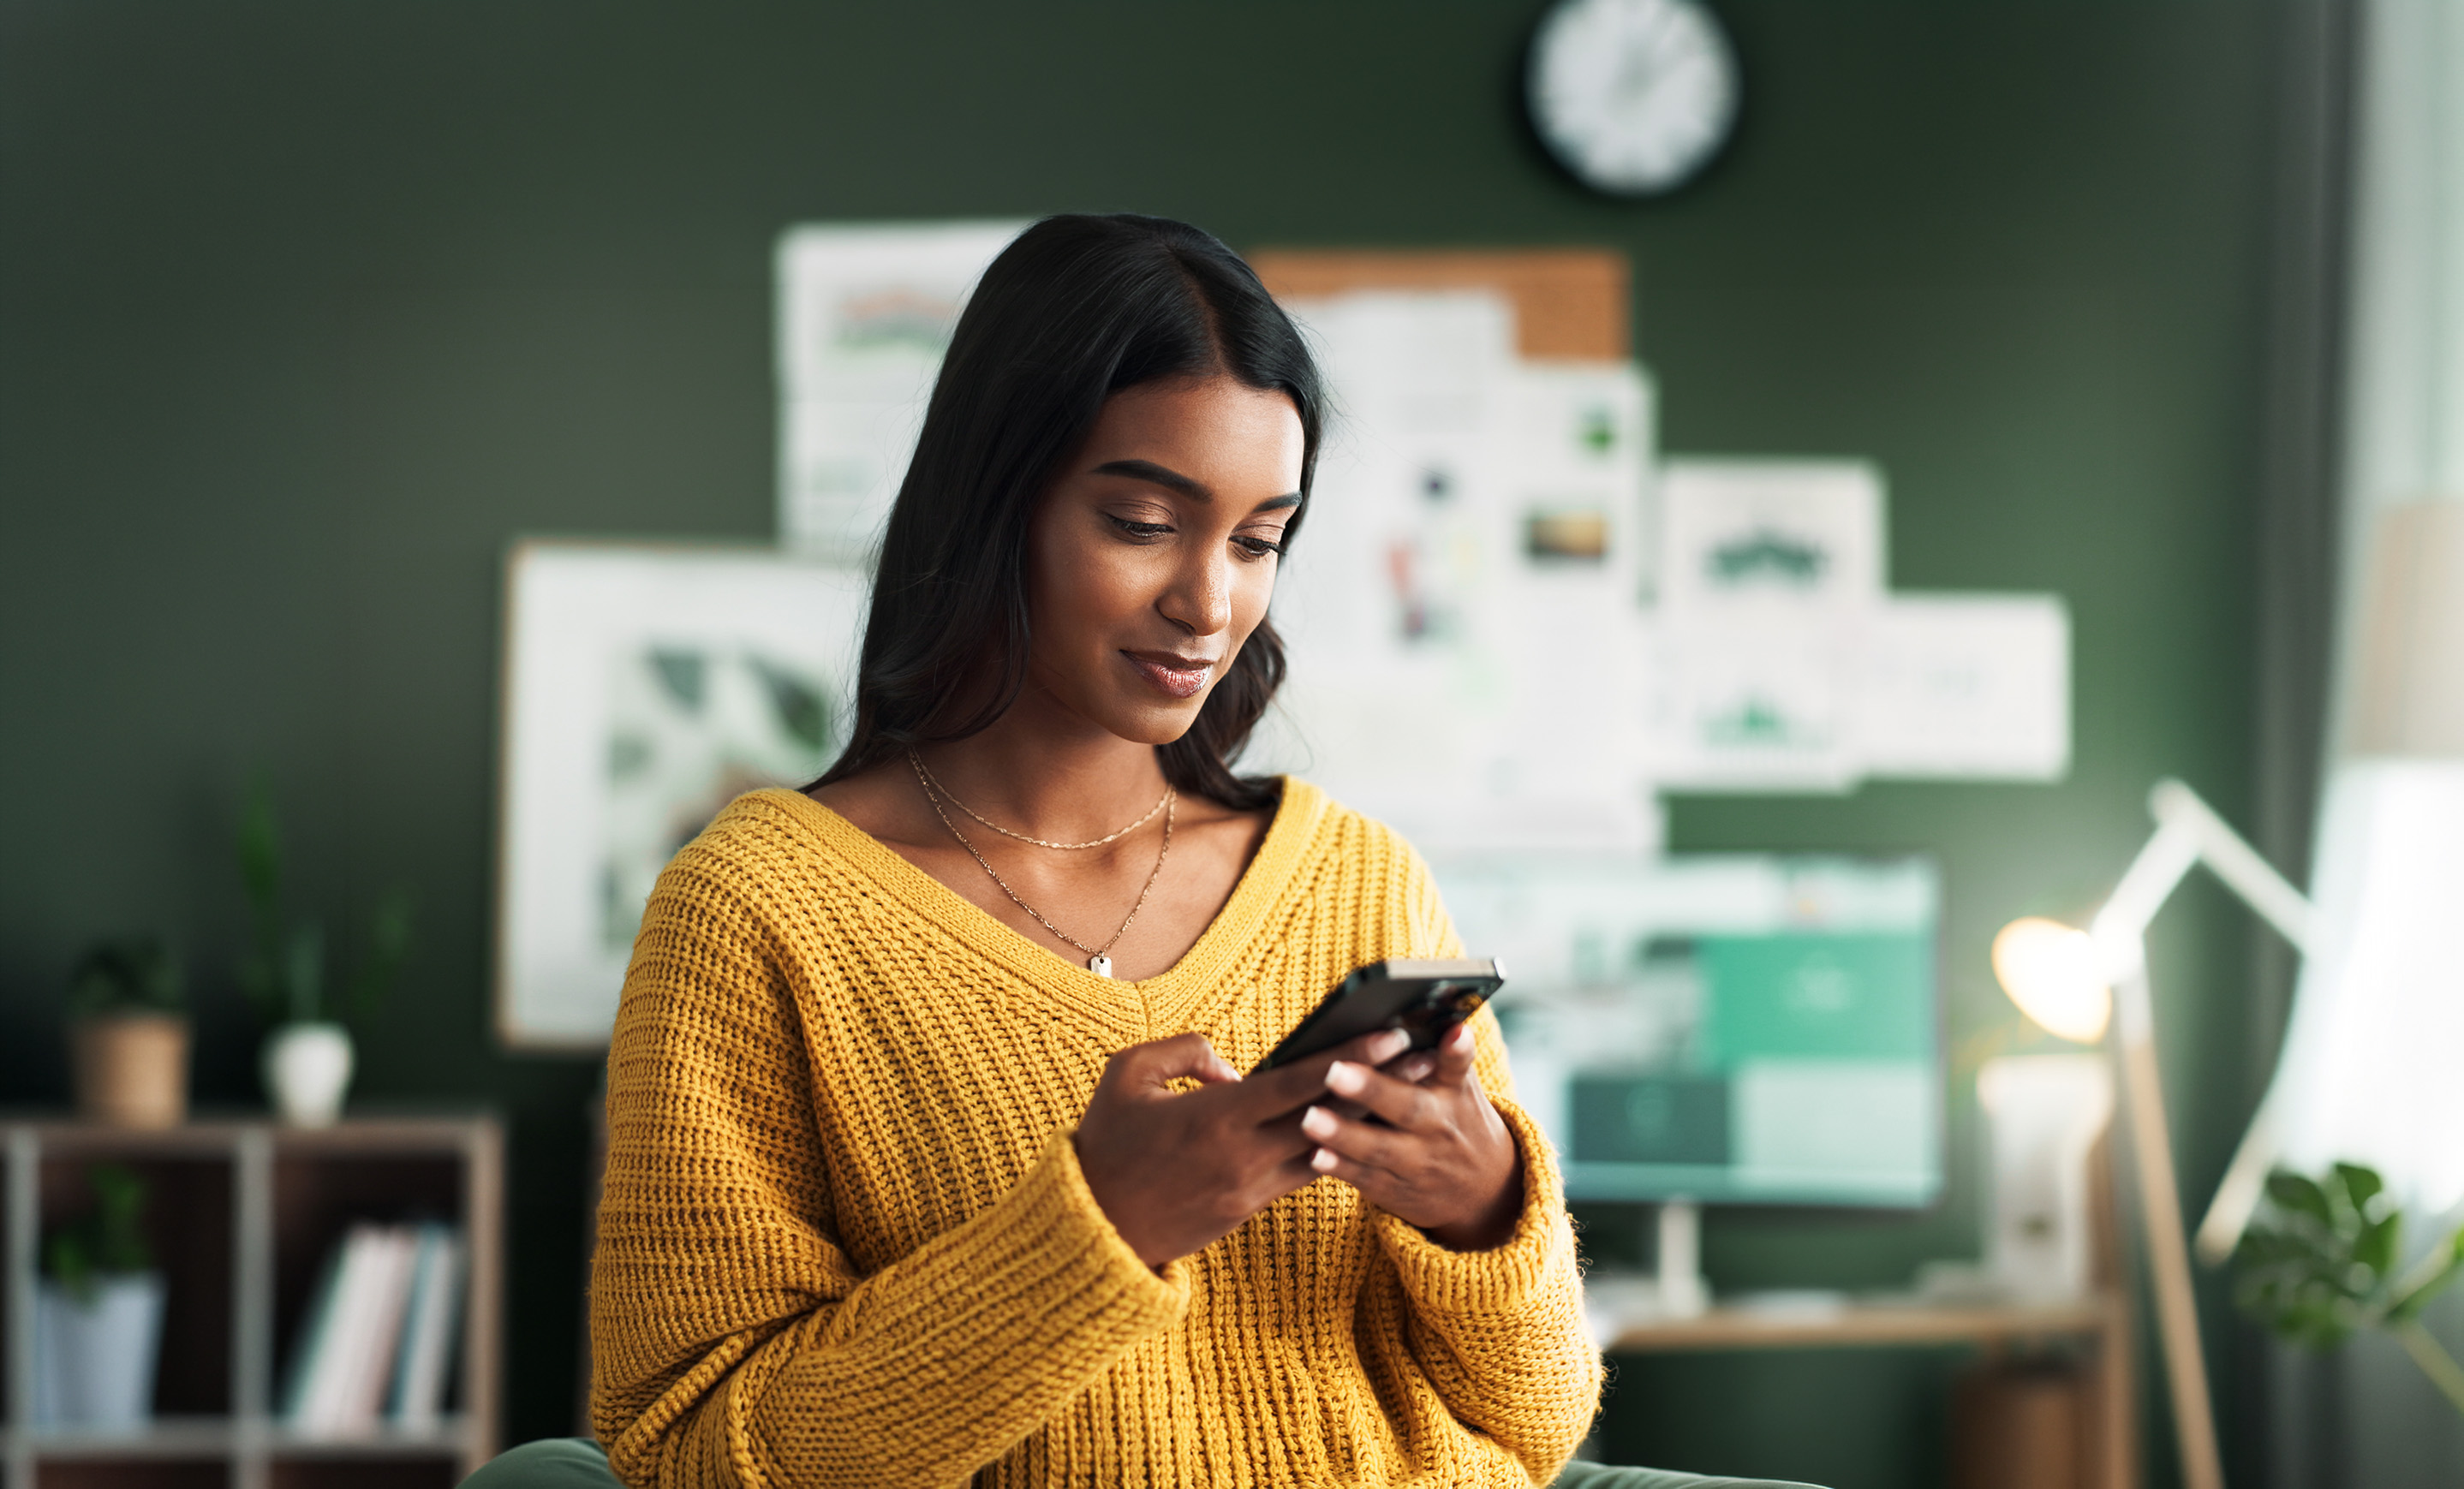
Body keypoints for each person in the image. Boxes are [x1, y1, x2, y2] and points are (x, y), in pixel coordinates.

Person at [588, 213, 1602, 1488]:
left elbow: (1542, 1418)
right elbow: (689, 1458)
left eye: (1256, 539)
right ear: (994, 503)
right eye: (1140, 523)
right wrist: (1097, 1232)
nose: (1210, 603)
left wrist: (1484, 1204)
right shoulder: (758, 912)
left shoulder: (1358, 880)